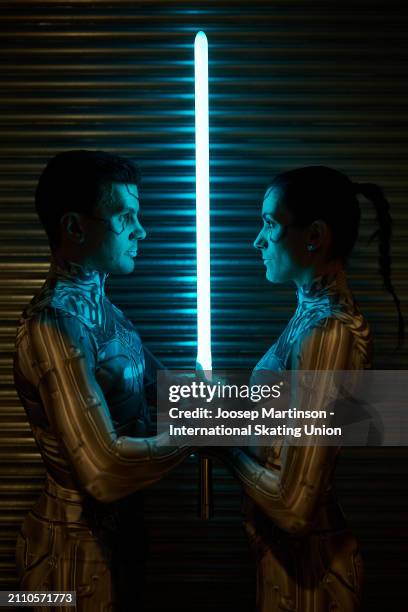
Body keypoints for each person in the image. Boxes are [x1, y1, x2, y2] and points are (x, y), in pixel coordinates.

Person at [13, 150, 192, 611]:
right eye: (125, 216)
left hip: (118, 543)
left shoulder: (109, 317)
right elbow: (103, 470)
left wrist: (310, 408)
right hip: (68, 557)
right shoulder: (54, 326)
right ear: (75, 227)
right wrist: (204, 431)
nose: (141, 231)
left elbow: (177, 393)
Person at [223, 166, 404, 611]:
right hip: (288, 570)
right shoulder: (308, 317)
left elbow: (296, 506)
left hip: (313, 578)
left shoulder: (328, 334)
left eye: (269, 224)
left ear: (314, 236)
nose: (257, 241)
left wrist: (220, 443)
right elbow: (279, 431)